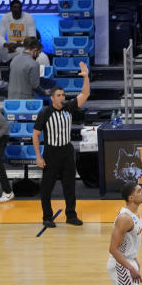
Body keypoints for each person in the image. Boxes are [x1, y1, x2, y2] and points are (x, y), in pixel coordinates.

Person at [32, 61, 90, 228]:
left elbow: (85, 94)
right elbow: (35, 135)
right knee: (47, 187)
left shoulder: (68, 108)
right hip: (51, 152)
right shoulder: (45, 113)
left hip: (67, 151)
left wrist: (86, 77)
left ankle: (71, 215)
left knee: (70, 186)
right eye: (59, 95)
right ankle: (47, 217)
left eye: (63, 95)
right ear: (52, 98)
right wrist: (38, 156)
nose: (62, 98)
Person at [0, 0, 40, 84]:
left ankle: (20, 80)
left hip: (24, 47)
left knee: (20, 58)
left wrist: (17, 45)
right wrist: (6, 44)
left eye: (19, 7)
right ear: (11, 8)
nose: (17, 9)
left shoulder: (28, 17)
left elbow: (32, 38)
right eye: (15, 7)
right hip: (10, 47)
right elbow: (0, 36)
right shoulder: (5, 17)